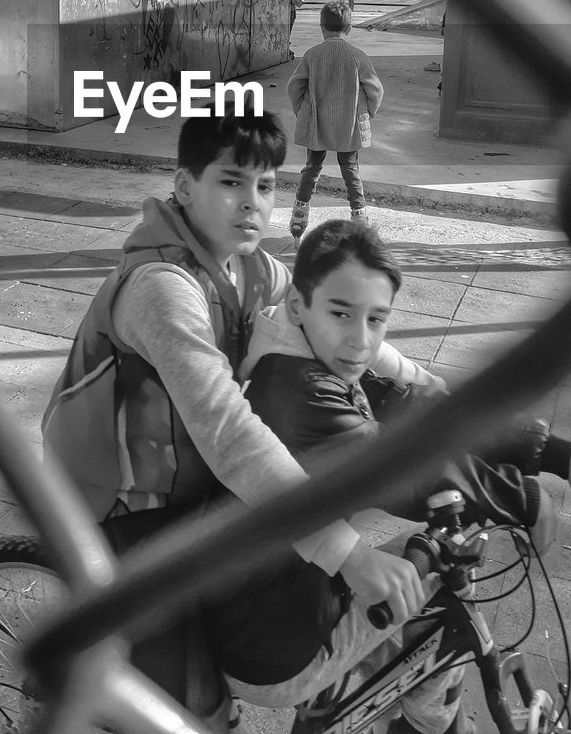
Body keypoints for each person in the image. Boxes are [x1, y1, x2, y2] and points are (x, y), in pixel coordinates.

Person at [42, 112, 446, 718]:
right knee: (197, 708)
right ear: (184, 187)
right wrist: (349, 555)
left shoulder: (248, 267)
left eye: (267, 185)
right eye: (232, 182)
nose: (252, 203)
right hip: (123, 506)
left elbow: (332, 322)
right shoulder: (161, 288)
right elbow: (229, 432)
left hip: (194, 483)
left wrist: (429, 387)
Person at [204, 219, 571, 734]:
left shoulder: (308, 353)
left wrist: (557, 455)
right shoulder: (297, 392)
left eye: (376, 320)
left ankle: (400, 703)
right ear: (298, 305)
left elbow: (424, 408)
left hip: (274, 601)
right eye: (341, 313)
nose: (360, 341)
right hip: (276, 647)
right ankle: (425, 721)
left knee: (437, 561)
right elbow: (402, 468)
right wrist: (524, 498)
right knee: (447, 562)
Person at [288, 1, 382, 240]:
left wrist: (301, 110)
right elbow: (375, 90)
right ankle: (359, 216)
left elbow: (294, 86)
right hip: (348, 125)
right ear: (348, 28)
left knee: (312, 167)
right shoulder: (358, 57)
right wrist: (367, 113)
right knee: (350, 169)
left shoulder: (312, 55)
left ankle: (300, 213)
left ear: (321, 27)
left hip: (317, 124)